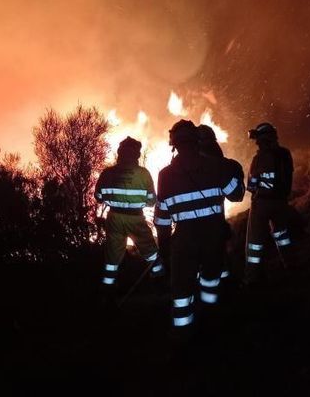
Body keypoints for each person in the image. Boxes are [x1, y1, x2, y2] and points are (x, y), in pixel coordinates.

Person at [154, 121, 244, 331]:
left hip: (183, 241)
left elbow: (162, 218)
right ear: (197, 140)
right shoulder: (217, 166)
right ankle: (210, 321)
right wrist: (234, 171)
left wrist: (165, 247)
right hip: (213, 238)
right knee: (210, 282)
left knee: (181, 292)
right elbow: (237, 195)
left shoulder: (165, 175)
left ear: (174, 144)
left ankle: (183, 335)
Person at [95, 137, 164, 301]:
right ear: (137, 154)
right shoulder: (143, 173)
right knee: (150, 250)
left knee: (112, 257)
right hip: (136, 218)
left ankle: (108, 290)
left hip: (114, 218)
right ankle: (160, 281)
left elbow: (98, 197)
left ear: (120, 153)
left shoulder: (107, 173)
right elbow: (152, 201)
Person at [243, 122, 295, 285]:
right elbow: (288, 178)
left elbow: (251, 186)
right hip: (281, 202)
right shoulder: (285, 154)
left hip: (262, 204)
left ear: (262, 140)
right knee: (282, 236)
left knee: (254, 243)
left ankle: (252, 278)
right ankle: (291, 266)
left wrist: (256, 187)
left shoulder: (258, 159)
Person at [195, 124, 245, 284]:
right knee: (219, 265)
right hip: (214, 229)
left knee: (198, 268)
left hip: (189, 232)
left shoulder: (178, 170)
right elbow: (236, 195)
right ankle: (225, 289)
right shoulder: (222, 166)